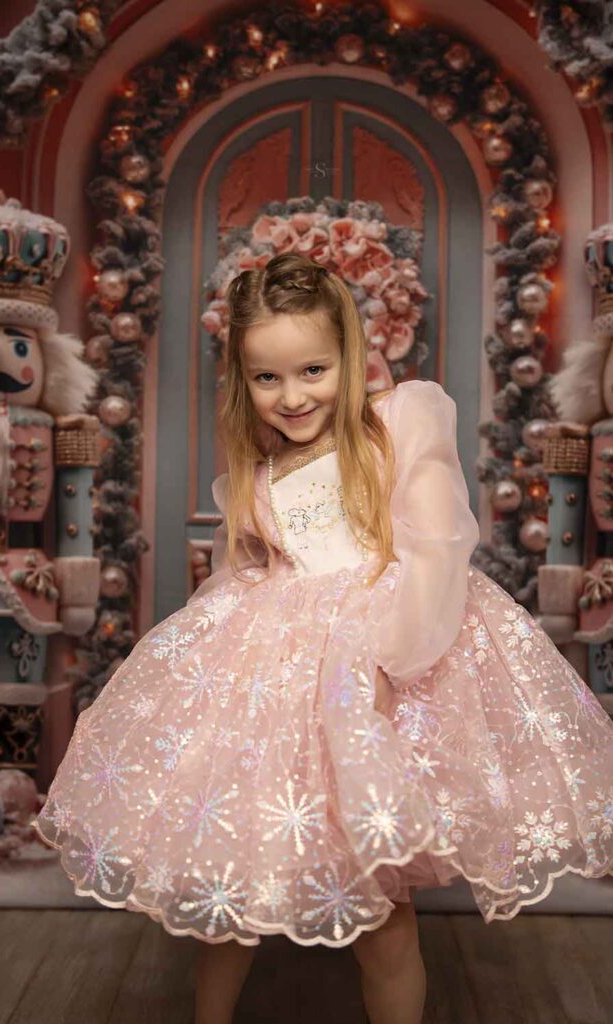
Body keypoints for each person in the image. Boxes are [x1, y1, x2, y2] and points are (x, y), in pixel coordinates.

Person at [32, 251, 613, 1024]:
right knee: (232, 889)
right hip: (280, 695)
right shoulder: (260, 476)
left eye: (312, 369)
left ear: (349, 351)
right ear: (242, 377)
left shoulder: (397, 422)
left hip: (381, 681)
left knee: (384, 917)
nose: (292, 395)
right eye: (267, 378)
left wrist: (386, 659)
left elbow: (436, 547)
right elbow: (246, 584)